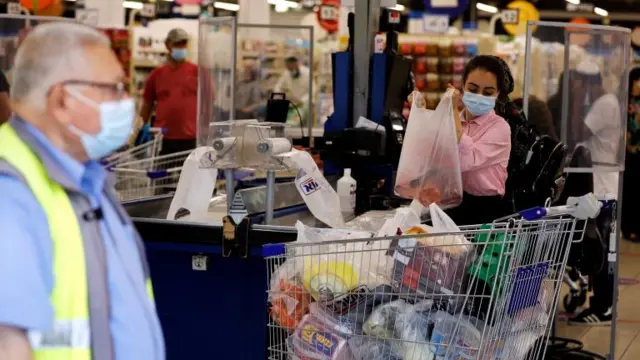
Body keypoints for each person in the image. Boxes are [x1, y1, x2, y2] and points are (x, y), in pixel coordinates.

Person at [0, 22, 164, 359]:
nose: (125, 102)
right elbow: (7, 342)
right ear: (62, 99)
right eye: (113, 89)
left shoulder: (87, 180)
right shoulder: (11, 191)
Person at [411, 55, 512, 225]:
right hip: (454, 202)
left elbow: (464, 161)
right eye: (472, 89)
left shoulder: (500, 129)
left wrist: (451, 108)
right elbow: (433, 158)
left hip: (485, 213)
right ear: (463, 85)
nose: (479, 96)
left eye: (488, 92)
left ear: (498, 93)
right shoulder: (457, 121)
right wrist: (419, 113)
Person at [568, 60, 622, 326]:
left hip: (602, 189)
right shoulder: (606, 102)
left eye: (579, 84)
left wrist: (577, 100)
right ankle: (601, 301)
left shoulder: (605, 103)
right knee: (597, 249)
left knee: (602, 251)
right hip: (598, 185)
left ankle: (603, 306)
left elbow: (578, 131)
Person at [140, 27, 197, 155]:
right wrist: (141, 127)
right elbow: (147, 104)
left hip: (191, 137)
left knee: (188, 175)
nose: (181, 47)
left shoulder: (197, 72)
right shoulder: (157, 75)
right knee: (161, 174)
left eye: (183, 44)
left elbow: (208, 102)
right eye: (177, 44)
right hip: (163, 137)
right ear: (168, 45)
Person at [622, 67, 640, 241]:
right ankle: (629, 227)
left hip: (638, 152)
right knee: (630, 190)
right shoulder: (625, 103)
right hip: (628, 154)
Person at [274, 56, 311, 123]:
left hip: (302, 105)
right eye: (288, 67)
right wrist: (278, 97)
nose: (290, 69)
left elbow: (312, 91)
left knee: (294, 123)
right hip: (289, 104)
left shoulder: (307, 73)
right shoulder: (286, 73)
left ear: (296, 64)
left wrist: (302, 101)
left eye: (291, 66)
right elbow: (278, 86)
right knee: (281, 121)